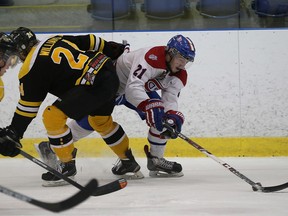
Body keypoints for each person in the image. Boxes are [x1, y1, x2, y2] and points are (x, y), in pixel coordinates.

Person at [0, 27, 141, 186]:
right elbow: (90, 40)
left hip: (92, 85)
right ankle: (128, 162)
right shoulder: (54, 38)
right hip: (108, 73)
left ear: (21, 51)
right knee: (100, 122)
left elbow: (28, 109)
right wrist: (113, 48)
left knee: (52, 116)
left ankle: (67, 166)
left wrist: (14, 132)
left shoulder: (30, 67)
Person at [64, 34, 196, 178]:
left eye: (187, 60)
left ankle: (156, 160)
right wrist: (149, 105)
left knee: (161, 116)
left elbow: (170, 99)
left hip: (136, 90)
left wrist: (171, 116)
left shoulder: (180, 75)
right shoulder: (151, 57)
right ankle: (56, 145)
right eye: (181, 58)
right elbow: (132, 88)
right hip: (112, 85)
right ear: (170, 53)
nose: (183, 64)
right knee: (94, 120)